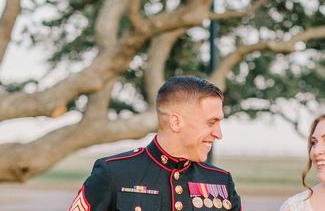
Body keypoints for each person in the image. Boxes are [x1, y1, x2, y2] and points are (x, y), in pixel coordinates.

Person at [68, 76, 242, 211]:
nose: (218, 134)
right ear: (176, 122)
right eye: (211, 123)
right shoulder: (113, 173)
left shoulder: (221, 182)